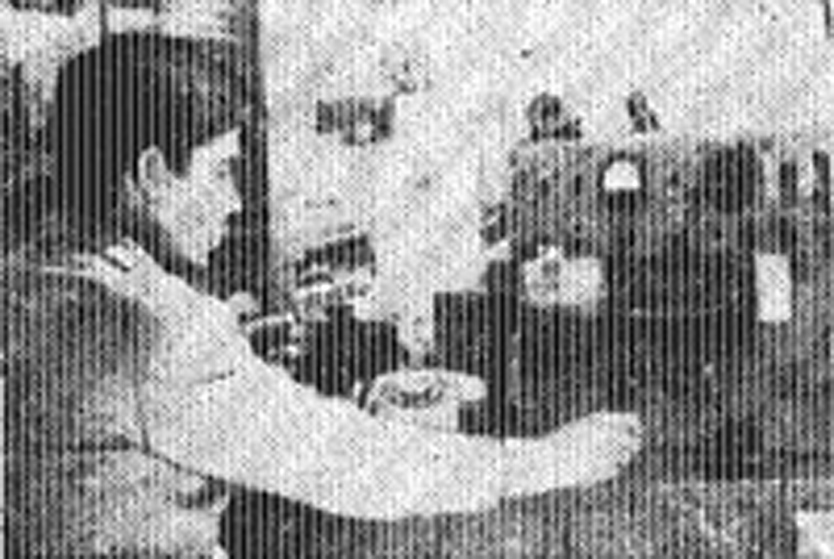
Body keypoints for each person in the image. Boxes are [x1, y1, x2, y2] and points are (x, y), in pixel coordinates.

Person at [3, 34, 643, 557]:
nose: (233, 201)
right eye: (221, 169)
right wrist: (552, 459)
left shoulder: (36, 269)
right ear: (152, 174)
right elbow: (354, 468)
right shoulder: (153, 322)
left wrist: (241, 366)